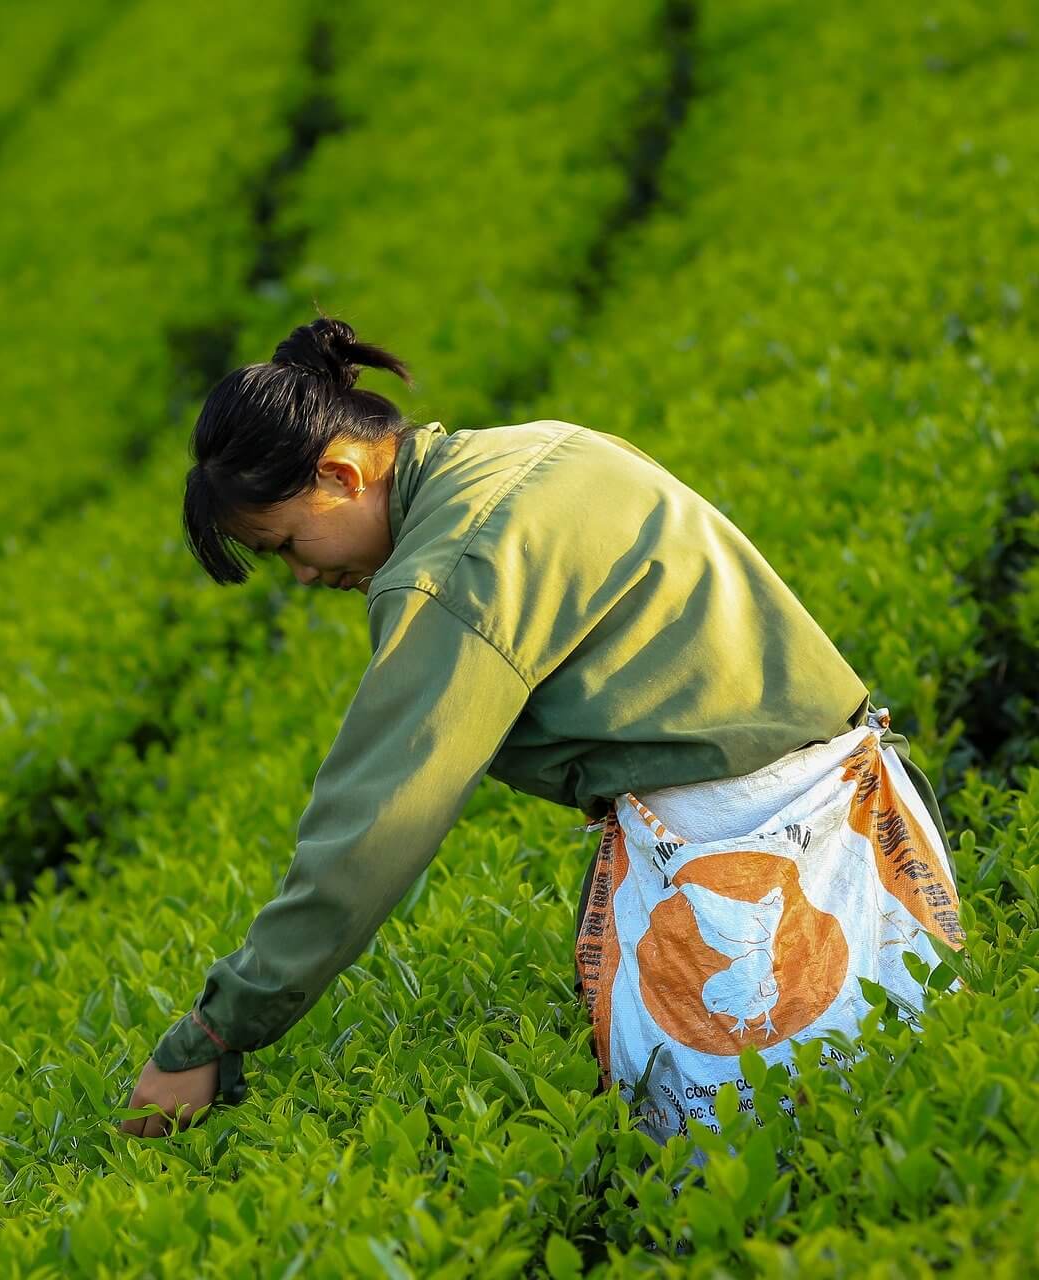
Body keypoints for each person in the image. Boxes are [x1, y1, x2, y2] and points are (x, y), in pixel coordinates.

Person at [120, 315, 953, 1139]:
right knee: (908, 1116)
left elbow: (374, 826)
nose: (303, 574)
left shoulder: (449, 570)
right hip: (857, 804)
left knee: (753, 1166)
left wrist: (215, 1033)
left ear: (340, 474)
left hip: (741, 862)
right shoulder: (537, 447)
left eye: (287, 543)